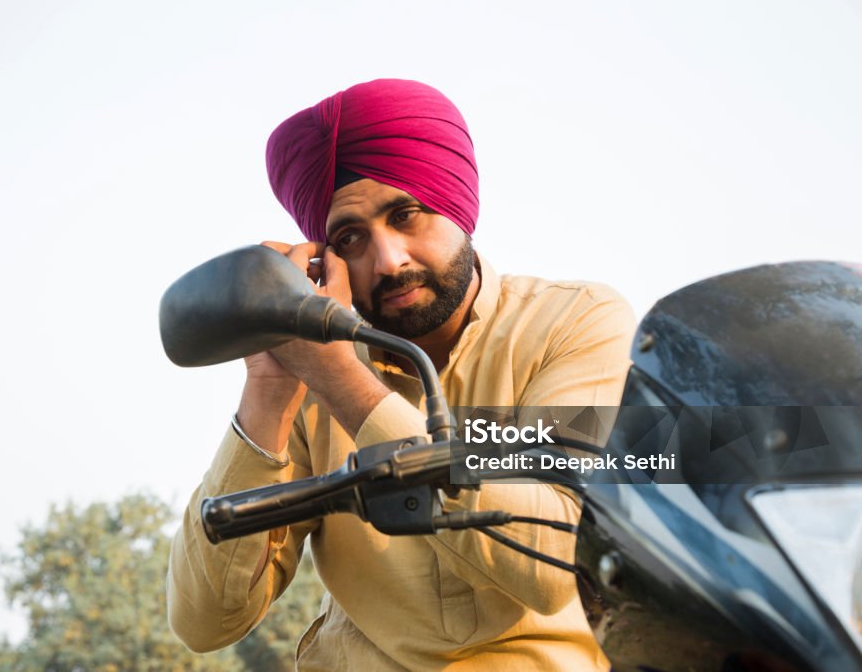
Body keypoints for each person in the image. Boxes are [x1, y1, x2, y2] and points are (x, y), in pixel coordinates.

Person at [166, 79, 635, 670]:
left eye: (405, 214)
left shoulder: (573, 323)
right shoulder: (311, 366)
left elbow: (552, 566)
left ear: (458, 204)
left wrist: (346, 384)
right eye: (351, 239)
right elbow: (204, 623)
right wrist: (270, 388)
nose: (388, 261)